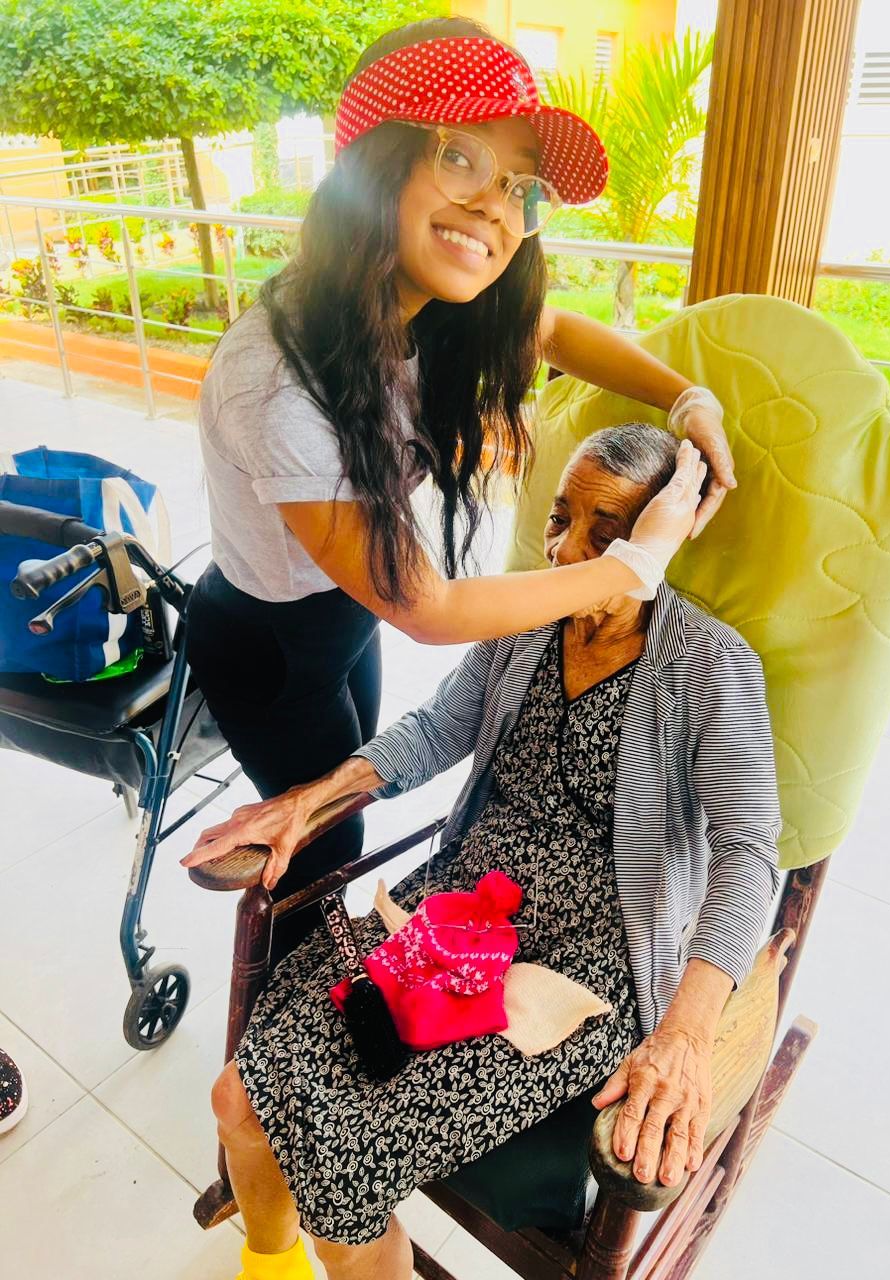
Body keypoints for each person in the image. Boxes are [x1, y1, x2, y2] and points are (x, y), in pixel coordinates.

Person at [184, 423, 781, 1280]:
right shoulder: (527, 616)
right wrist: (303, 803)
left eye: (606, 534)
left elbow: (749, 849)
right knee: (238, 1097)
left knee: (345, 1172)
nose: (567, 550)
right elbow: (437, 730)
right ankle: (265, 1267)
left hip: (590, 963)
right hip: (457, 908)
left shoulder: (709, 665)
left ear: (665, 533)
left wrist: (685, 1032)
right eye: (560, 519)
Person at [184, 16, 736, 904]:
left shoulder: (423, 299)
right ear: (375, 160)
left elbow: (555, 331)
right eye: (461, 157)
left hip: (341, 613)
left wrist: (688, 398)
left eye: (521, 186)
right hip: (268, 645)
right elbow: (429, 609)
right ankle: (275, 1015)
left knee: (356, 772)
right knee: (318, 859)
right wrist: (632, 565)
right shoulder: (276, 381)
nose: (495, 207)